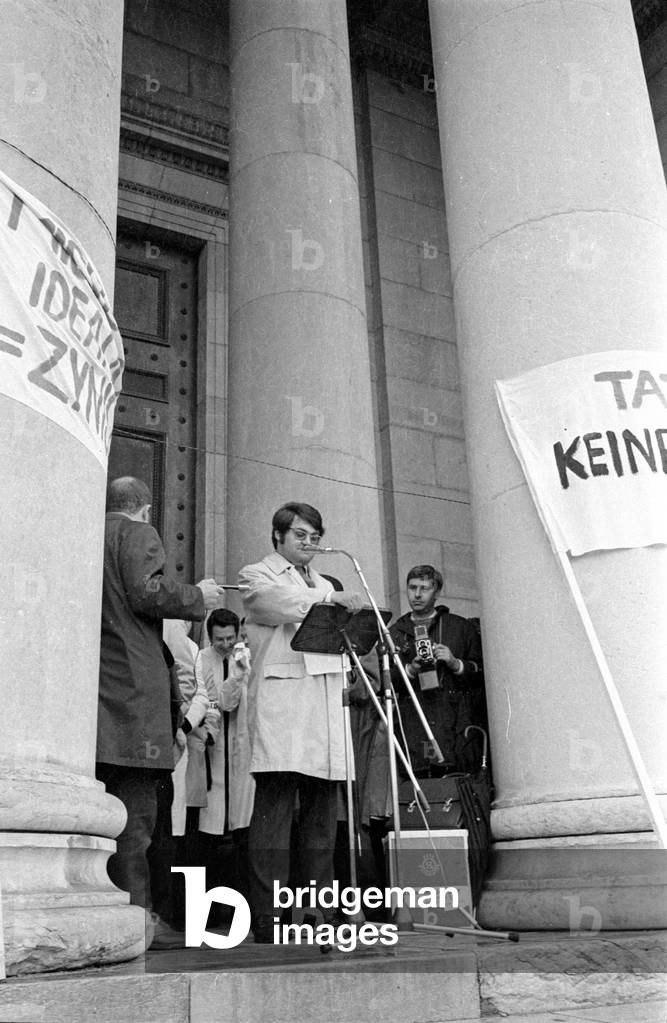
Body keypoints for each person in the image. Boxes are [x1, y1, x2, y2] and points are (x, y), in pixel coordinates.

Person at [96, 476, 222, 948]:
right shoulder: (136, 533)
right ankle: (134, 923)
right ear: (146, 510)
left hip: (100, 703)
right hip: (133, 701)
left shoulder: (89, 532)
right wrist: (198, 597)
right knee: (137, 822)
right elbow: (148, 590)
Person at [239, 501, 363, 942]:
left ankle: (319, 916)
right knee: (273, 817)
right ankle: (269, 920)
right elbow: (275, 604)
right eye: (299, 536)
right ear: (278, 537)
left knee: (321, 822)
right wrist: (328, 598)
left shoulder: (327, 579)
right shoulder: (258, 574)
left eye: (314, 536)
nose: (308, 543)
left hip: (326, 707)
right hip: (284, 709)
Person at [389, 565, 484, 775]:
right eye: (412, 588)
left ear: (437, 592)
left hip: (454, 718)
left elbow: (483, 675)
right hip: (414, 718)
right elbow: (381, 679)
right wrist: (410, 669)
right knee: (423, 775)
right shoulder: (395, 632)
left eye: (424, 588)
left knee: (452, 777)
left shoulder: (460, 628)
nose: (417, 594)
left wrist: (454, 663)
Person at [194, 609, 254, 902]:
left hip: (241, 747)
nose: (226, 644)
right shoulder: (203, 659)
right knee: (210, 829)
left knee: (241, 827)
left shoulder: (246, 657)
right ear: (210, 636)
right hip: (213, 746)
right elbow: (213, 701)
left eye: (231, 638)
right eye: (220, 639)